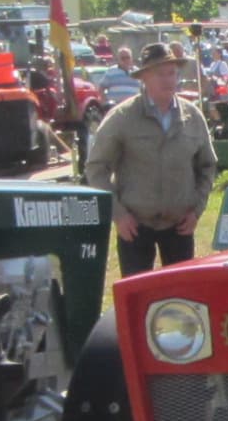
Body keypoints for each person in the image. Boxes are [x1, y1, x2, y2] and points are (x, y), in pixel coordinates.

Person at [84, 41, 219, 276]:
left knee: (180, 294)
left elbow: (207, 166)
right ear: (144, 77)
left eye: (172, 73)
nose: (168, 80)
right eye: (160, 74)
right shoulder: (122, 117)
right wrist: (118, 215)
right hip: (135, 226)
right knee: (137, 295)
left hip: (180, 226)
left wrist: (196, 210)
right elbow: (96, 168)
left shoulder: (192, 116)